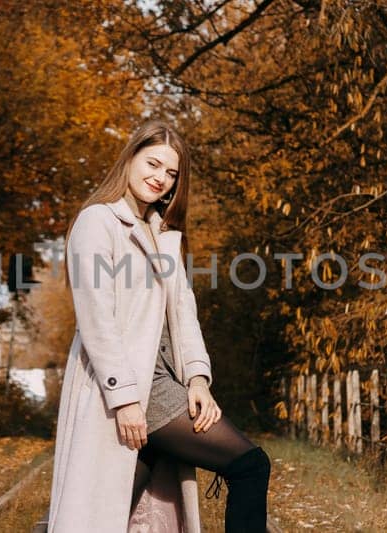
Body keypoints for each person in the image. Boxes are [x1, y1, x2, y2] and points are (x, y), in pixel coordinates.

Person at [46, 120, 271, 533]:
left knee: (104, 508)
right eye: (153, 164)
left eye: (171, 173)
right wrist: (126, 399)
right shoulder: (97, 222)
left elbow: (183, 313)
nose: (160, 179)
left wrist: (198, 379)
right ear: (129, 158)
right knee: (249, 465)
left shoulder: (160, 232)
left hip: (165, 381)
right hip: (133, 385)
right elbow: (98, 320)